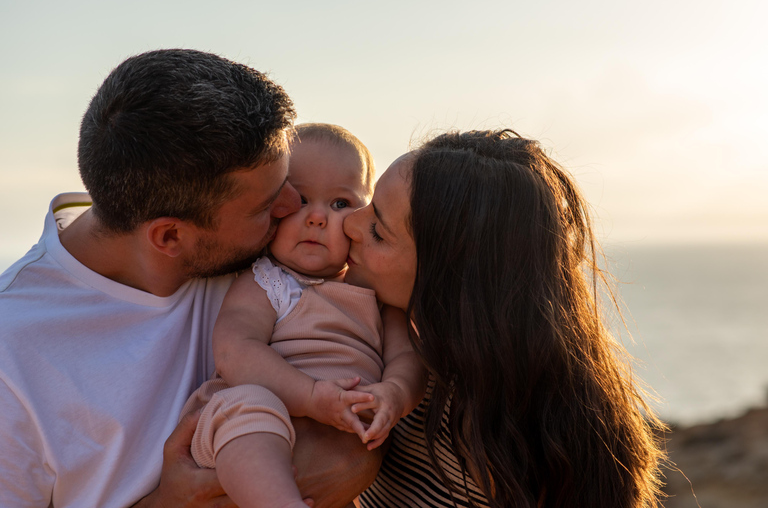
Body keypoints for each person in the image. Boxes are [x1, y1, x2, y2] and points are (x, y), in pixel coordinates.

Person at [0, 50, 378, 508]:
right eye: (266, 206)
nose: (292, 209)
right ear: (171, 235)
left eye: (287, 183)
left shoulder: (272, 248)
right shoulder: (12, 358)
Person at [343, 129, 667, 508]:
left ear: (452, 276)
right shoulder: (409, 353)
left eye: (378, 232)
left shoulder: (483, 436)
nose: (349, 223)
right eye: (367, 204)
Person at [181, 123, 425, 508]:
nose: (317, 218)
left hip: (335, 451)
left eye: (341, 204)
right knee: (246, 409)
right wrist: (310, 397)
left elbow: (407, 359)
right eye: (301, 200)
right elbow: (235, 351)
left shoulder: (375, 294)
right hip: (253, 421)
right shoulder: (267, 279)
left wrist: (394, 393)